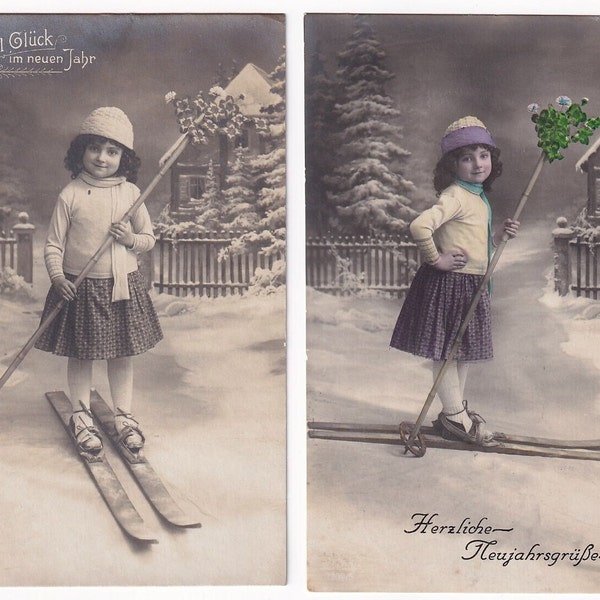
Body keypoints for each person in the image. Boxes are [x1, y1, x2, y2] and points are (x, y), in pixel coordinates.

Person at [35, 106, 163, 456]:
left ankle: (123, 416)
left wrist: (128, 239)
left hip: (121, 287)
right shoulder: (71, 194)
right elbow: (53, 245)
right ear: (81, 151)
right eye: (95, 148)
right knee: (81, 353)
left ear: (125, 157)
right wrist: (58, 276)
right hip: (81, 288)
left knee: (121, 354)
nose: (102, 157)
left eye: (112, 151)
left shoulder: (131, 194)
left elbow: (148, 239)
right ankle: (81, 414)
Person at [389, 116, 519, 446]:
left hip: (470, 284)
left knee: (459, 352)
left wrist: (497, 237)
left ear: (493, 159)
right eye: (467, 157)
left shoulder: (475, 196)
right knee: (448, 352)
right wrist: (437, 259)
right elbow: (420, 226)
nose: (478, 164)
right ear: (452, 164)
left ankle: (454, 413)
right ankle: (456, 417)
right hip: (450, 284)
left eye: (484, 155)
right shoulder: (456, 195)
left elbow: (471, 241)